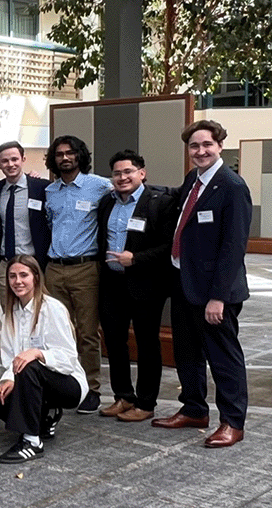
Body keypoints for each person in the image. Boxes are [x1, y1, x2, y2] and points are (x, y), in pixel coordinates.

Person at [152, 120, 252, 448]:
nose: (200, 151)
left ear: (220, 145)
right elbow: (180, 206)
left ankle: (232, 422)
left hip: (214, 292)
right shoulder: (193, 180)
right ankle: (194, 409)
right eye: (194, 146)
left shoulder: (232, 186)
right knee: (187, 352)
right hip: (184, 282)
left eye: (207, 145)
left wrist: (218, 298)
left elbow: (233, 247)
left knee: (223, 357)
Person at [97, 150, 176, 421]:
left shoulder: (158, 203)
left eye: (128, 171)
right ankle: (123, 397)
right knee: (115, 343)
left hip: (144, 284)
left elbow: (169, 246)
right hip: (112, 284)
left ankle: (146, 402)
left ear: (141, 173)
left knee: (146, 344)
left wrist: (137, 259)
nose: (122, 177)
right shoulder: (108, 203)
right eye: (117, 173)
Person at [0, 255, 88, 464]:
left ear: (36, 277)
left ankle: (32, 441)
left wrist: (38, 353)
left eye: (24, 275)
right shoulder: (9, 314)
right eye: (12, 276)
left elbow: (68, 359)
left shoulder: (52, 308)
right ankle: (44, 417)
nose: (18, 281)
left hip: (68, 384)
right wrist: (8, 381)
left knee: (29, 365)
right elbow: (9, 360)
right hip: (31, 380)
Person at [43, 135, 112, 414]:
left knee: (86, 333)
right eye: (59, 154)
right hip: (54, 269)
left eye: (70, 153)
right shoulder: (50, 192)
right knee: (56, 331)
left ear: (80, 156)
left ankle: (91, 389)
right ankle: (61, 385)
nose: (65, 158)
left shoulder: (100, 186)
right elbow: (49, 224)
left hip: (86, 269)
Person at [0, 141, 51, 318]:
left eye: (15, 159)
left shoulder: (41, 188)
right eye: (5, 161)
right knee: (10, 315)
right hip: (6, 264)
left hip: (34, 263)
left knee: (38, 314)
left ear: (23, 159)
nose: (11, 164)